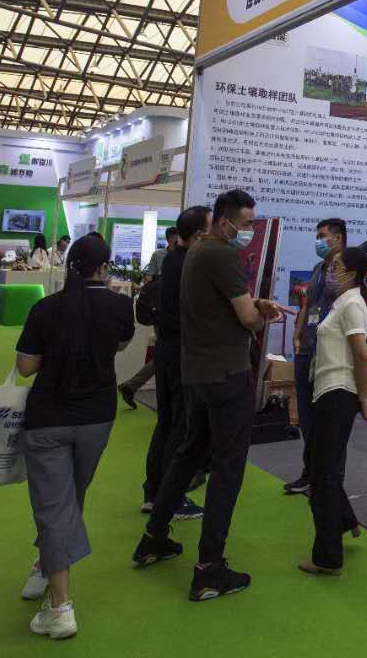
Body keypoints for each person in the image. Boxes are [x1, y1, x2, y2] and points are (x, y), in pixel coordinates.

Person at [133, 189, 287, 602]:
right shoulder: (222, 255)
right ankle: (209, 568)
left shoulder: (197, 252)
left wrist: (253, 305)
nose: (250, 231)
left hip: (198, 374)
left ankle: (153, 538)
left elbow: (221, 304)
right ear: (223, 222)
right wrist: (261, 315)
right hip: (226, 376)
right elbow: (247, 318)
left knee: (188, 453)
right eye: (247, 223)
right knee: (227, 469)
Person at [15, 233, 135, 640]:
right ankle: (43, 566)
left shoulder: (46, 308)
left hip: (47, 419)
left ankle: (60, 608)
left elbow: (26, 366)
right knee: (70, 499)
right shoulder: (120, 306)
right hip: (97, 419)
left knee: (54, 506)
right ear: (104, 268)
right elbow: (120, 344)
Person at [300, 247, 367, 576]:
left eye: (337, 267)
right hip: (327, 391)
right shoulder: (342, 302)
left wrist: (363, 395)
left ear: (352, 273)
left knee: (323, 476)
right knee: (319, 465)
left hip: (339, 392)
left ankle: (328, 557)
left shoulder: (353, 304)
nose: (331, 271)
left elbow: (362, 353)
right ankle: (343, 521)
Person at [140, 209, 208, 520]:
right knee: (180, 427)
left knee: (166, 424)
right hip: (182, 353)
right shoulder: (189, 263)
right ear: (198, 234)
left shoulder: (171, 259)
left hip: (168, 350)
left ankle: (154, 493)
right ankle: (171, 499)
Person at [284, 218, 347, 496]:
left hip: (329, 355)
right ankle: (310, 473)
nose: (318, 241)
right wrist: (297, 334)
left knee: (328, 423)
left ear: (338, 239)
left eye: (323, 236)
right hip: (307, 350)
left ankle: (329, 482)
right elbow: (308, 305)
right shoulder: (318, 268)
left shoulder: (346, 271)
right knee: (307, 418)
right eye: (317, 236)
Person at [119, 226, 181, 409]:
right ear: (171, 239)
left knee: (166, 354)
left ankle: (131, 386)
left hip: (175, 311)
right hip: (162, 311)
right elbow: (149, 279)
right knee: (167, 352)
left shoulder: (185, 256)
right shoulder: (159, 255)